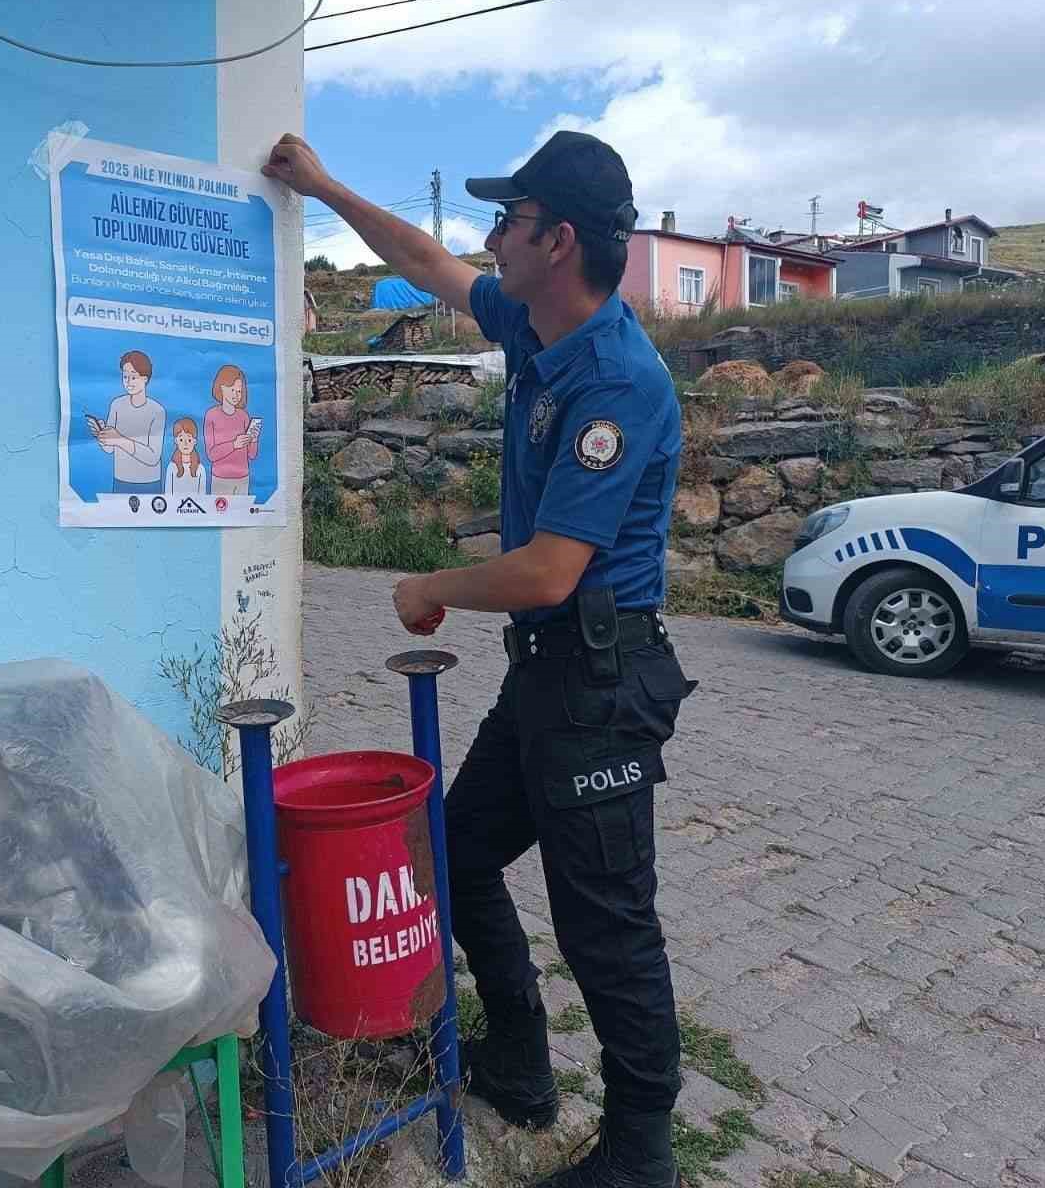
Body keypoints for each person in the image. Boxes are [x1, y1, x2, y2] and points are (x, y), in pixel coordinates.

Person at [265, 130, 694, 1188]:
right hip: (550, 674)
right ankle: (517, 1061)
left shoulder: (617, 382)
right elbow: (423, 263)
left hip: (599, 678)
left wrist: (427, 591)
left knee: (606, 924)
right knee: (453, 854)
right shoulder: (531, 323)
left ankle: (643, 1151)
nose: (488, 236)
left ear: (556, 241)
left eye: (507, 219)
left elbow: (551, 569)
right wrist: (321, 184)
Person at [89, 350, 165, 495]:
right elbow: (109, 449)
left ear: (145, 379)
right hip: (121, 480)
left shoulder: (157, 410)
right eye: (125, 377)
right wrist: (102, 436)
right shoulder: (116, 405)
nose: (128, 382)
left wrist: (119, 440)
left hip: (149, 482)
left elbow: (153, 457)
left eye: (133, 377)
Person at [203, 364, 262, 494]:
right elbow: (211, 454)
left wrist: (254, 439)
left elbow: (251, 455)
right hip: (220, 478)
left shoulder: (244, 416)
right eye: (232, 390)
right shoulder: (211, 415)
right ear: (222, 387)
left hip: (243, 478)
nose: (236, 395)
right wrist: (234, 444)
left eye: (239, 391)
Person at [166, 417, 208, 495]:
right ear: (176, 441)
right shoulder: (171, 467)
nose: (185, 444)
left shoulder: (200, 469)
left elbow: (202, 496)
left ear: (195, 441)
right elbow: (168, 493)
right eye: (181, 440)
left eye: (189, 440)